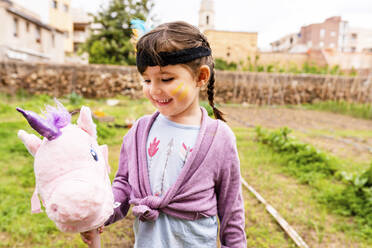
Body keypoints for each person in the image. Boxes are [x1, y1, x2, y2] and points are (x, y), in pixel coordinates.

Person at [81, 21, 246, 248]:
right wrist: (101, 213)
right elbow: (124, 184)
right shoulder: (138, 131)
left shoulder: (219, 138)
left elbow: (232, 209)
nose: (154, 90)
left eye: (166, 79)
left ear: (200, 77)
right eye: (147, 80)